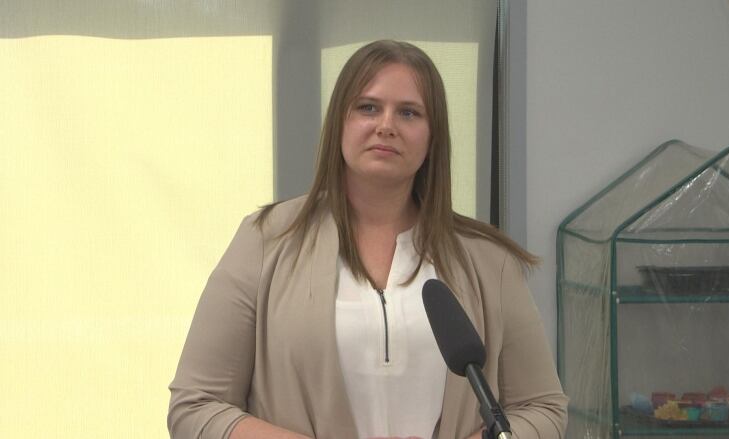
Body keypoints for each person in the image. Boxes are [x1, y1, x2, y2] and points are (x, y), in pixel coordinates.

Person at [168, 40, 567, 439]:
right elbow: (195, 407)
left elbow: (544, 409)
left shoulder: (488, 260)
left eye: (409, 112)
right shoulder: (265, 240)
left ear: (433, 137)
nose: (386, 125)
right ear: (339, 122)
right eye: (368, 107)